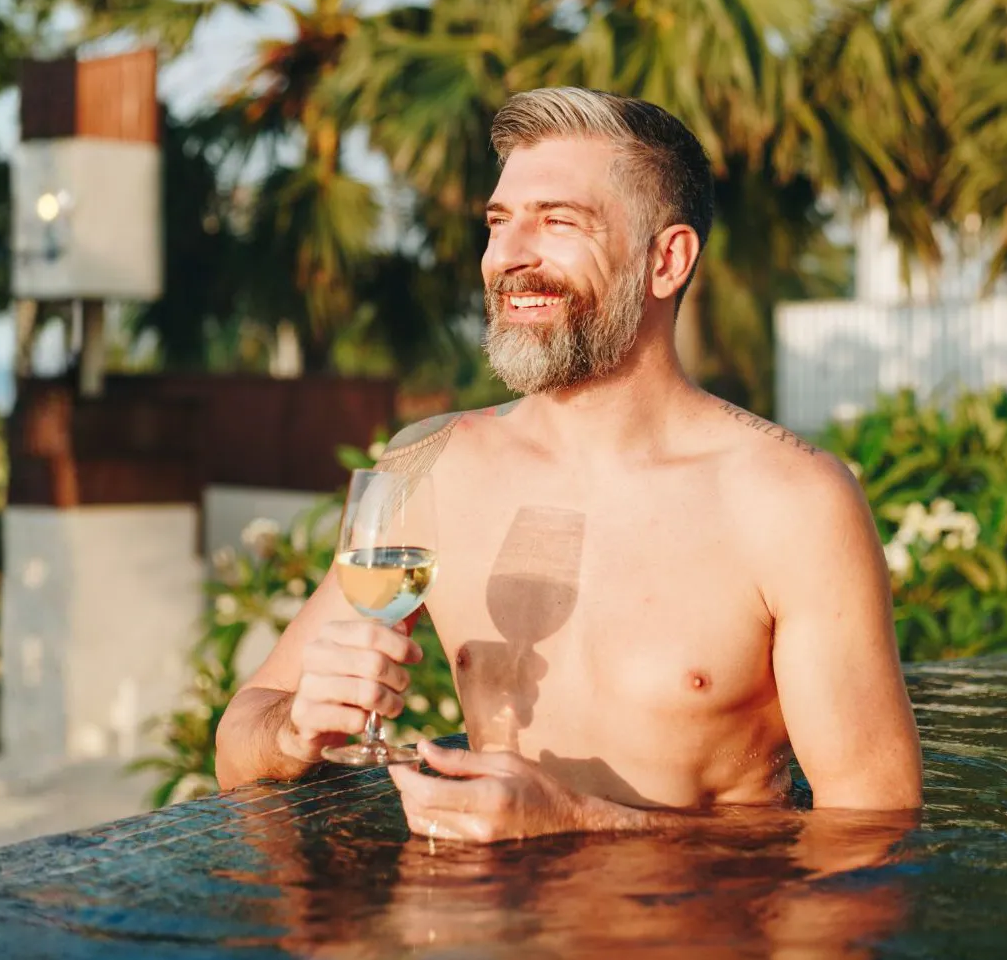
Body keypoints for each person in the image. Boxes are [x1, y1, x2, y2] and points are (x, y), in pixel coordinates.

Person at [213, 88, 922, 839]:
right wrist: (295, 728)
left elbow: (873, 831)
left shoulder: (791, 500)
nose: (509, 257)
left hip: (697, 945)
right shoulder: (428, 465)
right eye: (498, 223)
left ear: (666, 259)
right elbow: (239, 743)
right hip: (497, 944)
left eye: (557, 222)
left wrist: (585, 822)